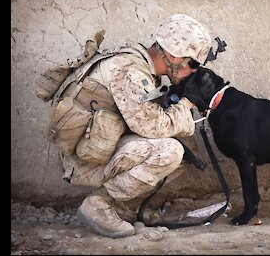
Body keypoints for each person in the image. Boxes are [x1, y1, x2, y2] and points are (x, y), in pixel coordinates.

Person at [59, 14, 217, 238]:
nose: (193, 71)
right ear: (172, 55)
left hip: (97, 144)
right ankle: (99, 204)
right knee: (171, 151)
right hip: (84, 159)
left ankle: (118, 205)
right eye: (192, 64)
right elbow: (153, 126)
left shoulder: (140, 64)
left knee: (186, 148)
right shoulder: (130, 71)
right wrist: (187, 102)